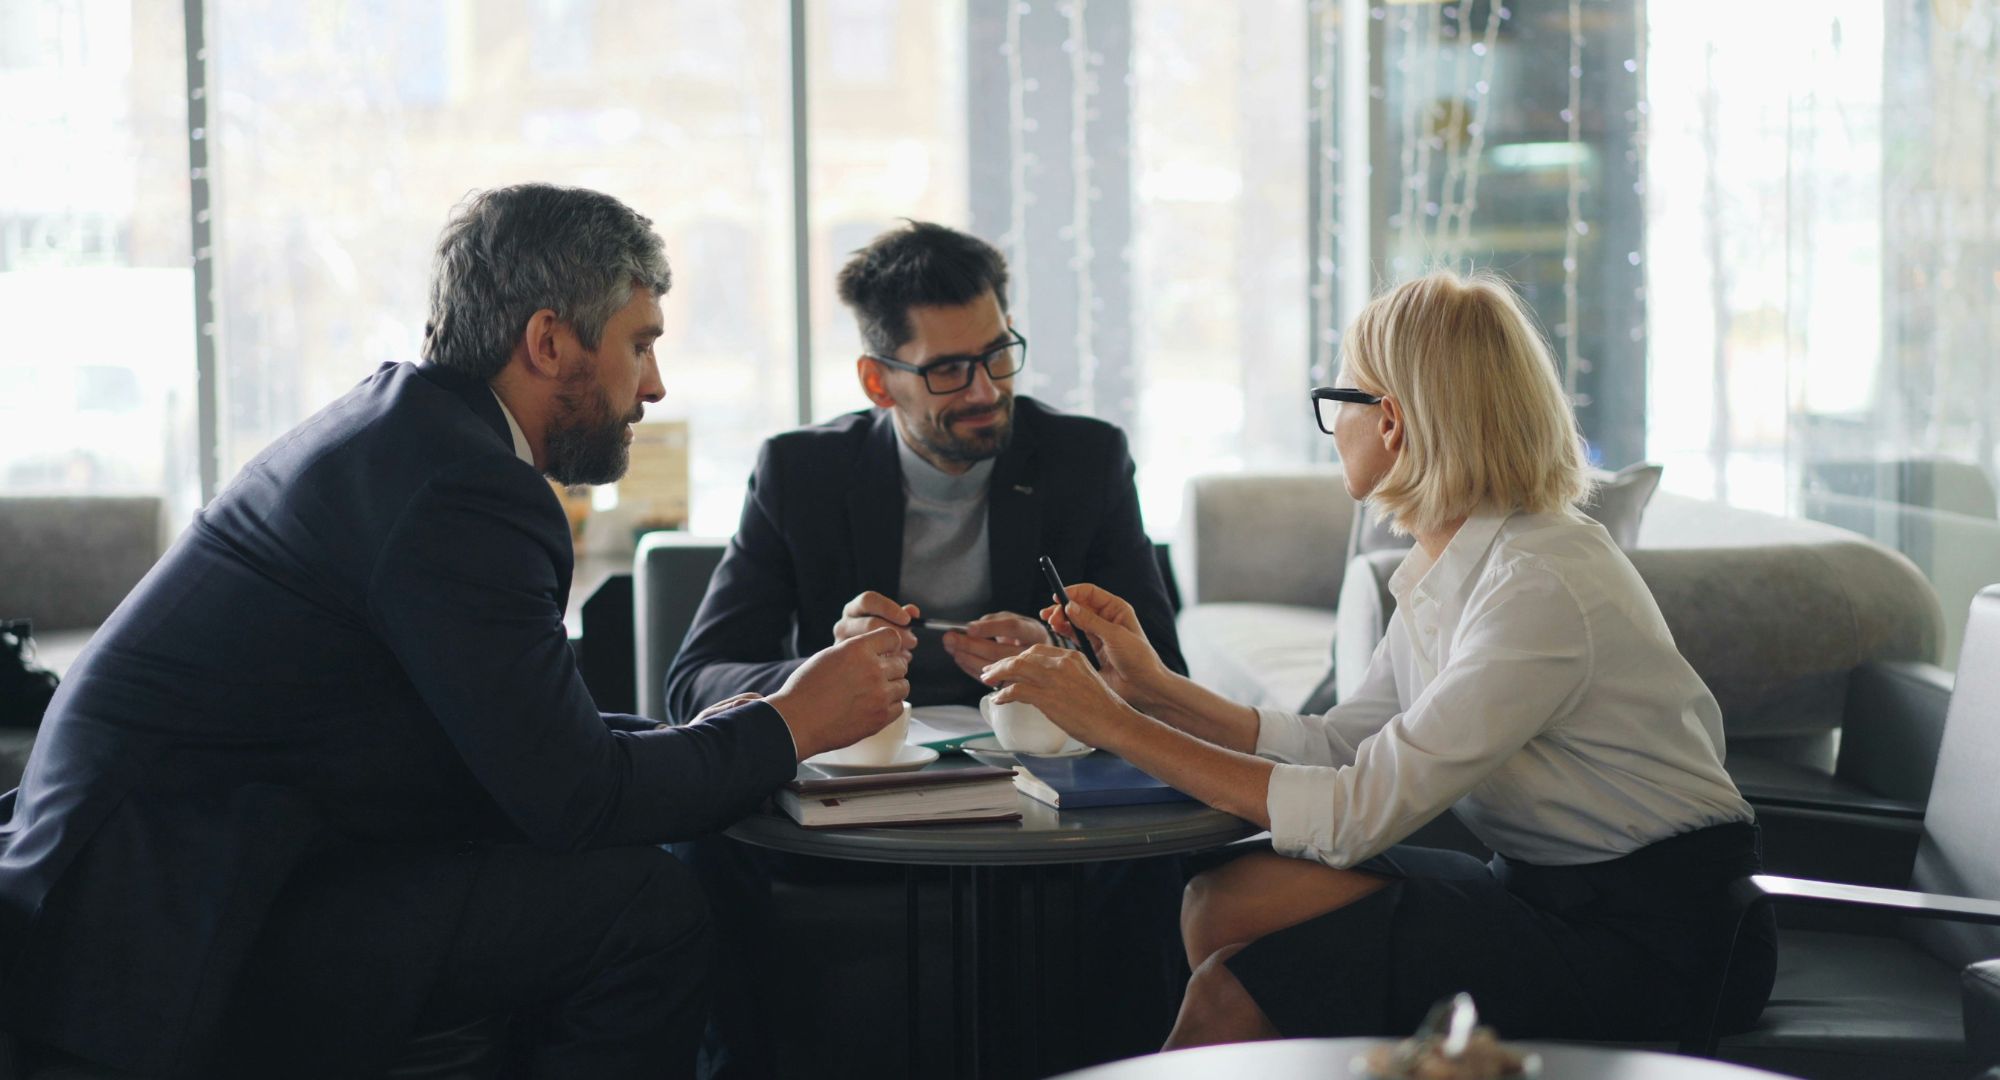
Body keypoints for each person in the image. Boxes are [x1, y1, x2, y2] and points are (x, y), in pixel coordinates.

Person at [0, 183, 910, 1079]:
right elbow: (575, 798)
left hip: (194, 875)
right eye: (640, 345)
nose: (656, 386)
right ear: (550, 341)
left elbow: (527, 747)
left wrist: (739, 728)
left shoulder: (409, 432)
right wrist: (788, 726)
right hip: (172, 931)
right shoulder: (461, 491)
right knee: (646, 905)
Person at [981, 270, 1778, 1048]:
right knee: (1222, 901)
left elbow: (1352, 817)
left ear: (1391, 421)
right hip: (1544, 887)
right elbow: (1342, 744)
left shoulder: (1538, 588)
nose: (1332, 427)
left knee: (1233, 993)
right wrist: (1155, 690)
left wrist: (1115, 725)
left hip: (1654, 943)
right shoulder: (1460, 565)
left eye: (1338, 402)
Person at [666, 220, 1188, 1075]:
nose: (985, 389)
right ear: (879, 380)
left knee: (1160, 845)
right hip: (863, 789)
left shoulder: (1083, 461)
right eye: (948, 370)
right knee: (699, 837)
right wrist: (822, 674)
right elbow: (696, 682)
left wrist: (1069, 663)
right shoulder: (801, 473)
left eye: (998, 355)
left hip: (1047, 805)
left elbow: (1165, 674)